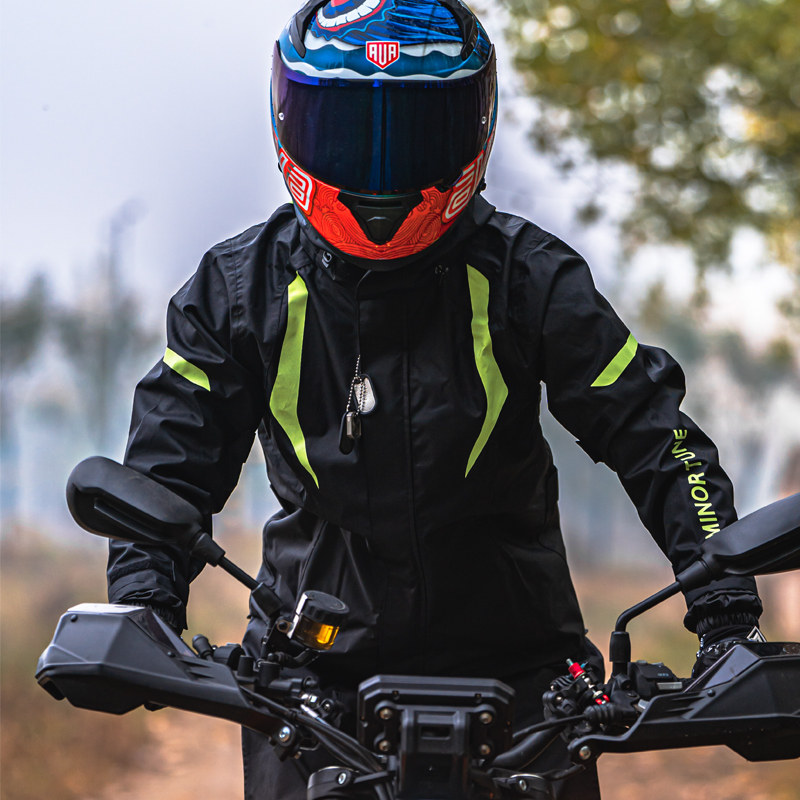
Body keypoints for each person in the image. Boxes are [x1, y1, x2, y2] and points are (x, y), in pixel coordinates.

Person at [106, 1, 762, 797]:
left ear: (476, 127)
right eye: (347, 134)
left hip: (526, 678)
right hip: (308, 677)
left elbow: (655, 436)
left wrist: (728, 616)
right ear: (287, 122)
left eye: (416, 134)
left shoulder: (530, 277)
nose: (380, 172)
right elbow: (168, 464)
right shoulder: (237, 290)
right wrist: (141, 605)